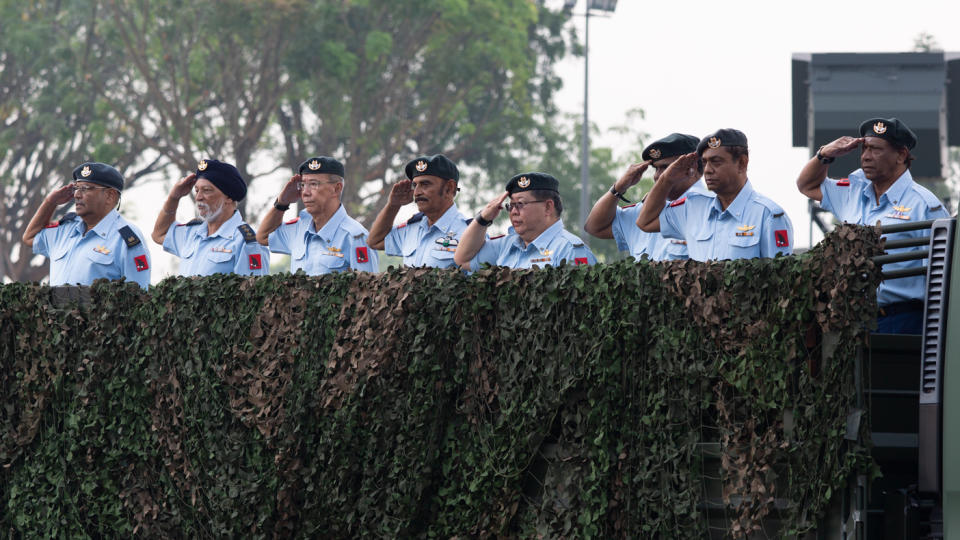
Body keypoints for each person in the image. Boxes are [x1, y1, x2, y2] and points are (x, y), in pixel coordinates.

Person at [796, 117, 949, 334]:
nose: (866, 157)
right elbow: (807, 185)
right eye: (864, 149)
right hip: (853, 322)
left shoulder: (924, 206)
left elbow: (942, 280)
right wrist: (825, 154)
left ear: (901, 155)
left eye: (876, 150)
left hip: (903, 320)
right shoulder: (853, 192)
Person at [636, 128, 793, 261]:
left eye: (716, 162)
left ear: (742, 163)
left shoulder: (768, 215)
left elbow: (779, 282)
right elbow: (645, 222)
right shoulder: (692, 208)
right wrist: (666, 180)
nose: (708, 170)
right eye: (704, 163)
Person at [21, 162, 151, 288]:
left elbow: (138, 296)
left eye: (85, 189)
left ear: (110, 196)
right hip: (55, 310)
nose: (77, 195)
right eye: (76, 188)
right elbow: (29, 237)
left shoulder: (126, 239)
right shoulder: (66, 229)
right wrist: (50, 202)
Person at [584, 133, 702, 260]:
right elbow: (594, 227)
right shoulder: (643, 210)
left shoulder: (708, 208)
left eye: (666, 168)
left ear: (692, 167)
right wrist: (619, 188)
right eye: (656, 169)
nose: (658, 176)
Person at [257, 156, 378, 274]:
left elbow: (367, 291)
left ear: (336, 188)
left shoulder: (356, 237)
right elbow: (262, 237)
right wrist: (281, 203)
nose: (305, 192)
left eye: (314, 184)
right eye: (303, 185)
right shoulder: (298, 228)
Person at [151, 159, 269, 276]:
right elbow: (159, 234)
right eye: (196, 190)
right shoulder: (192, 233)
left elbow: (253, 292)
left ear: (229, 197)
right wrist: (173, 198)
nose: (198, 197)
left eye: (206, 190)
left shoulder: (246, 242)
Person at [454, 172, 596, 270]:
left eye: (520, 204)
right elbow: (462, 260)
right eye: (511, 206)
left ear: (548, 207)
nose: (513, 212)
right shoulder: (507, 245)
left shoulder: (570, 249)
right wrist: (483, 219)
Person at [367, 154, 471, 268]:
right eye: (414, 185)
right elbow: (374, 242)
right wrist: (393, 206)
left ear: (449, 188)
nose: (416, 192)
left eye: (425, 184)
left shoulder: (469, 233)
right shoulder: (412, 229)